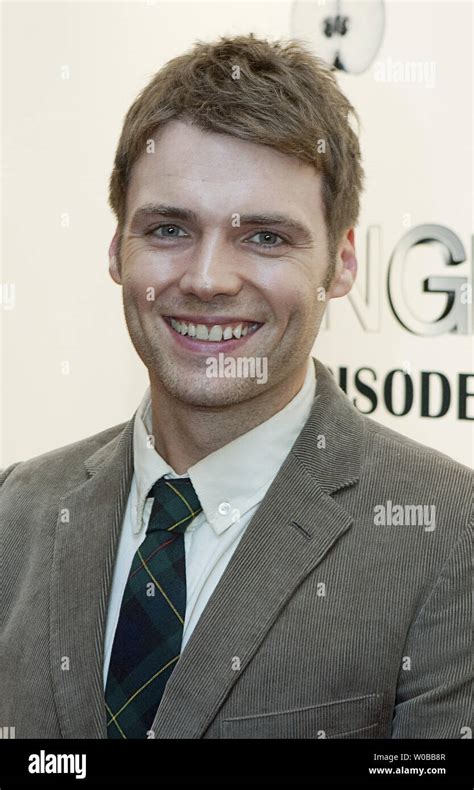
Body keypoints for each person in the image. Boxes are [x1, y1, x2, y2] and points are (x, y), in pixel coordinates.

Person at [1, 34, 471, 740]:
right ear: (115, 248)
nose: (208, 279)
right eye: (168, 228)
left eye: (265, 238)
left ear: (342, 264)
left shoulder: (450, 535)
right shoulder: (17, 511)